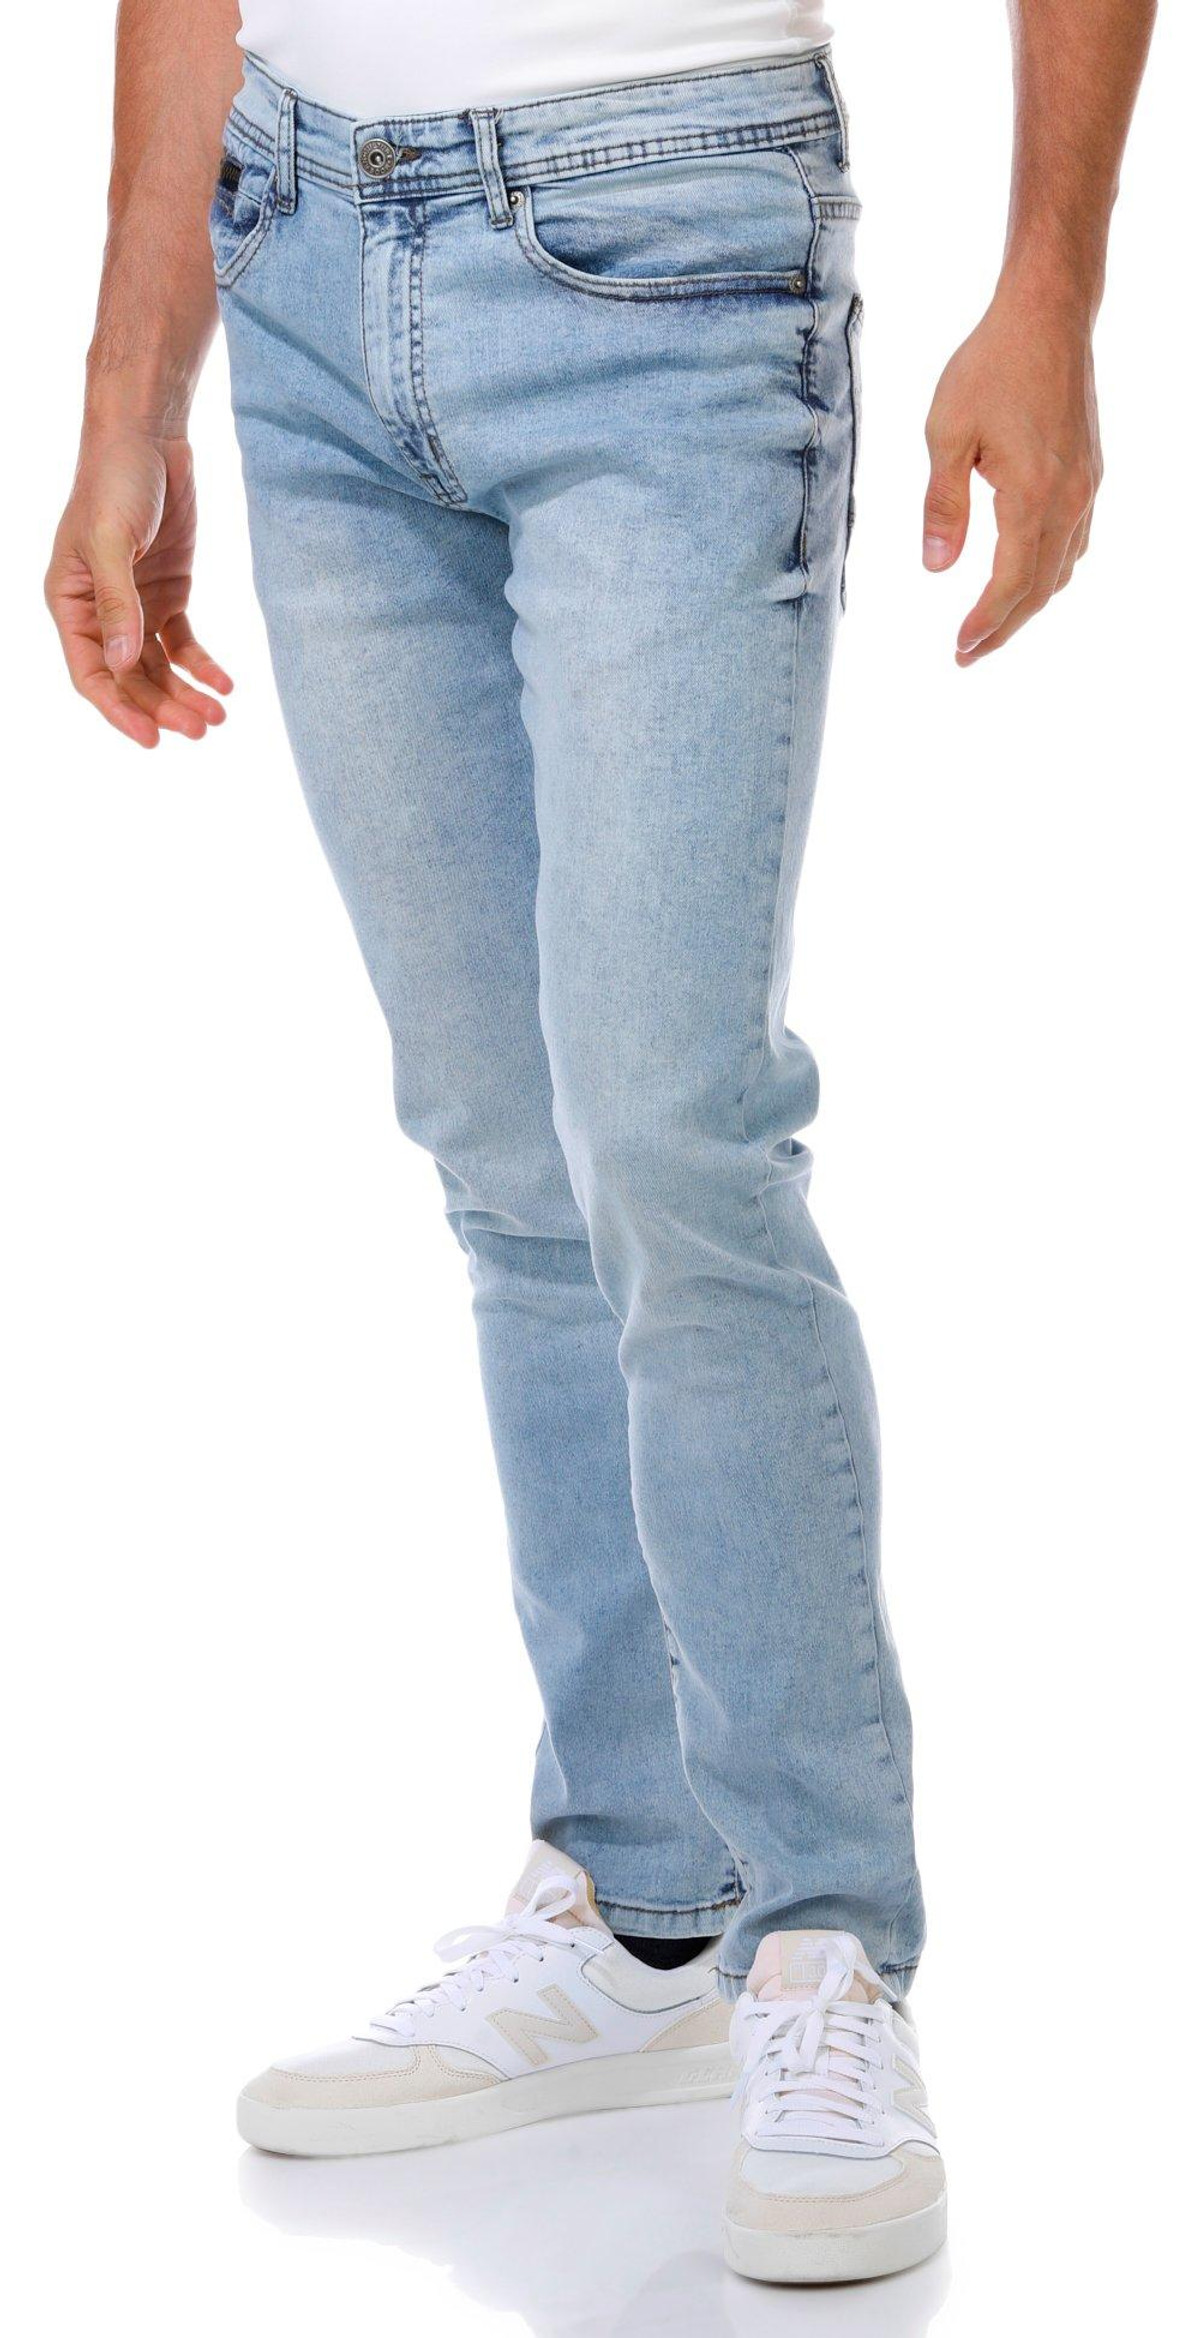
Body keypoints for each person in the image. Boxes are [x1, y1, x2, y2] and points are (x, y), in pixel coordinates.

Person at [46, 0, 1154, 2286]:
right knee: (506, 1150)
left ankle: (821, 1938)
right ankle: (644, 1905)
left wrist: (1050, 283)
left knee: (671, 1131)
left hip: (673, 235)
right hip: (305, 256)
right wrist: (126, 387)